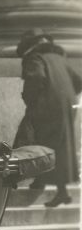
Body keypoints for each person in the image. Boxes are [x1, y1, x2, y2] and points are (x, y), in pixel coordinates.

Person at [13, 28, 82, 207]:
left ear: (30, 45)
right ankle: (57, 189)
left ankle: (14, 179)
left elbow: (36, 77)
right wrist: (66, 98)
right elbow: (78, 81)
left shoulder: (34, 57)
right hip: (66, 105)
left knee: (34, 141)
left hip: (46, 106)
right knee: (58, 145)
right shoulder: (59, 58)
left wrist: (30, 99)